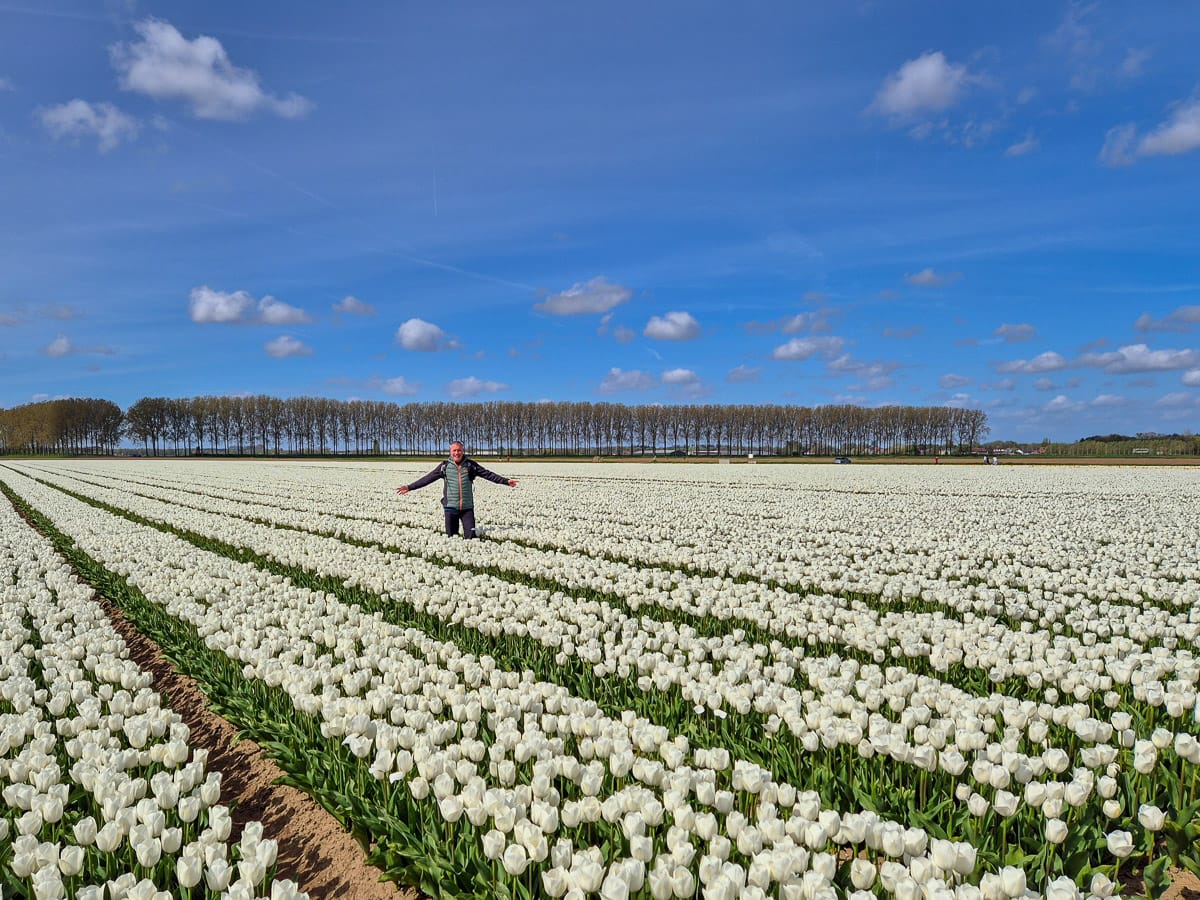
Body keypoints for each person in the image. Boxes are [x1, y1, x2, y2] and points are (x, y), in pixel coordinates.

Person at [396, 441, 517, 538]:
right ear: (450, 452)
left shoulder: (471, 465)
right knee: (451, 538)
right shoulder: (444, 466)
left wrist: (506, 481)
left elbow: (488, 475)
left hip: (467, 508)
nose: (457, 453)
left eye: (459, 450)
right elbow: (428, 478)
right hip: (450, 508)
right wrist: (410, 487)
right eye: (454, 450)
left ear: (463, 451)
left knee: (471, 537)